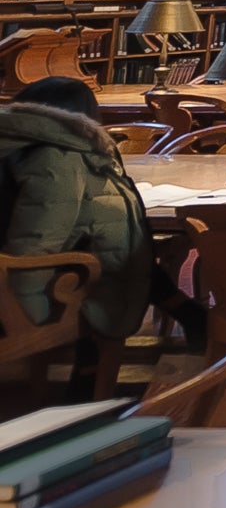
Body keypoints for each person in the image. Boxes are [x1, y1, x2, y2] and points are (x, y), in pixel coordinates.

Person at [0, 76, 160, 343]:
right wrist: (32, 322)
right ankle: (89, 378)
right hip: (13, 300)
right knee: (108, 270)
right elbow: (36, 244)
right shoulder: (57, 158)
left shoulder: (14, 141)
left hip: (16, 273)